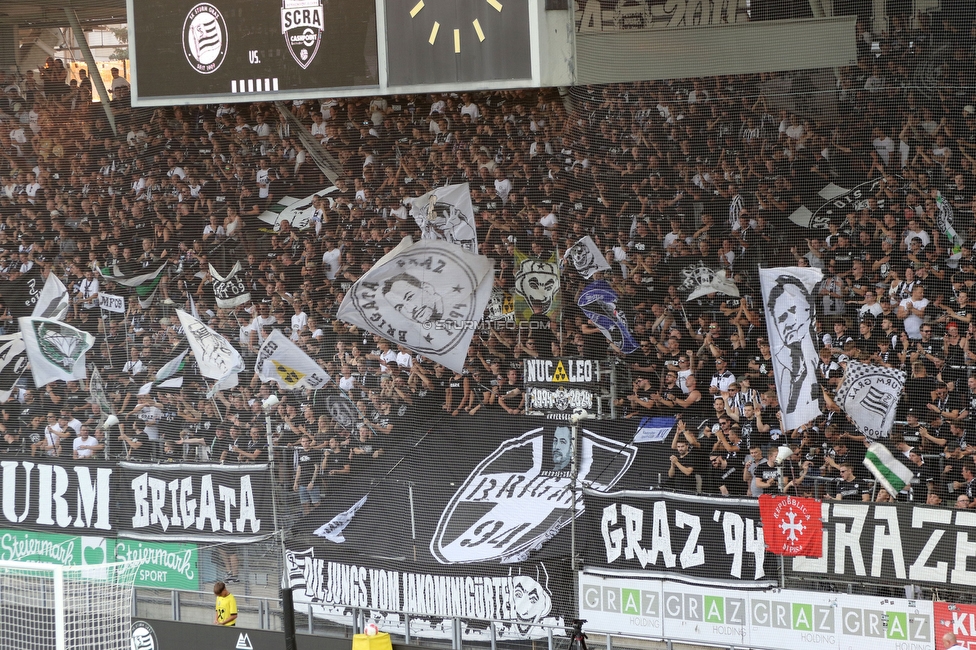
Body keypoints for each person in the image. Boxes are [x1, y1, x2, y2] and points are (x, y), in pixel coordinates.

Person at [766, 275, 819, 421]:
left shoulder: (819, 356)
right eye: (781, 318)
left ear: (809, 310)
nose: (789, 322)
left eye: (794, 311)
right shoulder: (784, 368)